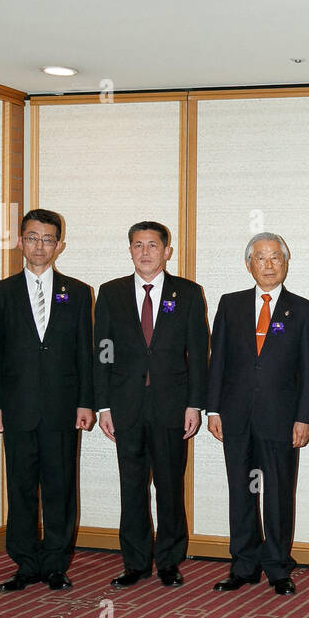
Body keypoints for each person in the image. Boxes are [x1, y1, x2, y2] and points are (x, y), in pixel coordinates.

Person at [94, 221, 209, 589]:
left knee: (170, 486)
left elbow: (199, 354)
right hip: (125, 405)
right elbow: (102, 352)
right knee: (132, 486)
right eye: (138, 245)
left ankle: (170, 561)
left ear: (167, 251)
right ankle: (136, 562)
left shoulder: (188, 293)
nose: (146, 252)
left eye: (153, 245)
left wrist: (195, 404)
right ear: (129, 250)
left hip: (172, 406)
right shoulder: (110, 293)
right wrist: (103, 406)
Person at [0, 209, 95, 592]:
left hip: (63, 408)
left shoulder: (78, 292)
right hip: (16, 408)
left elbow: (85, 352)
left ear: (60, 245)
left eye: (48, 239)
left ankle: (55, 564)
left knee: (60, 487)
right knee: (20, 487)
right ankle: (25, 563)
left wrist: (86, 402)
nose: (40, 246)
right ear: (20, 241)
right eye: (32, 237)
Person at [207, 232, 309, 597]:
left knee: (278, 494)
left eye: (276, 258)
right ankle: (243, 565)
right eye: (261, 258)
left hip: (282, 419)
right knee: (241, 490)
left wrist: (304, 417)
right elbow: (218, 361)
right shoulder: (230, 304)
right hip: (236, 415)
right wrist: (213, 409)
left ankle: (276, 565)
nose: (268, 265)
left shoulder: (303, 310)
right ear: (248, 264)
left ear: (286, 264)